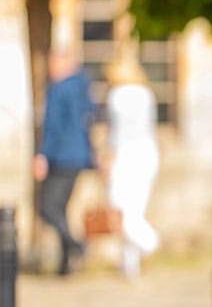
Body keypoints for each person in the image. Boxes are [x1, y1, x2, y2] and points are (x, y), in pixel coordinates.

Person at [33, 50, 94, 275]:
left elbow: (53, 126)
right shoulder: (82, 87)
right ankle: (64, 265)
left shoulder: (58, 88)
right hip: (78, 156)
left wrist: (43, 155)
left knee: (48, 208)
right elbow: (90, 117)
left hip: (60, 156)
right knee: (61, 209)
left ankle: (76, 245)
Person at [101, 58, 161, 278]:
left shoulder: (117, 97)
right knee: (135, 209)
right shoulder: (146, 94)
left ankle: (150, 242)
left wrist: (108, 161)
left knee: (122, 210)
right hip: (148, 154)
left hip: (126, 156)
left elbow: (117, 135)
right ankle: (129, 265)